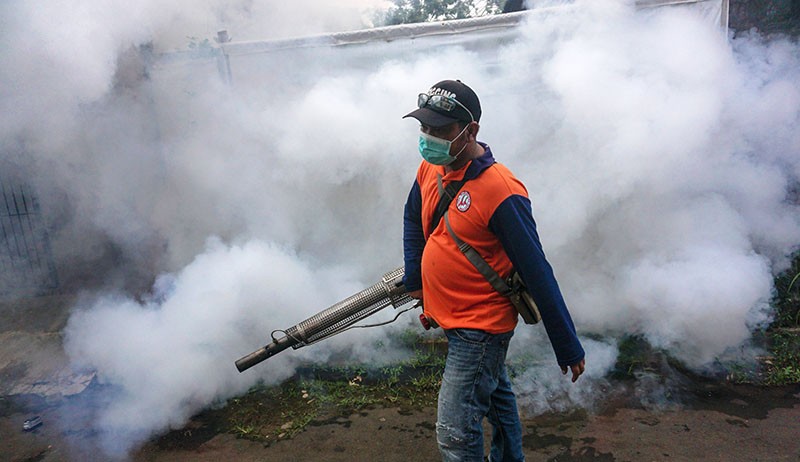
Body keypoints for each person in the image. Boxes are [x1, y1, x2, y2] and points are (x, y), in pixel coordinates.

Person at [402, 79, 586, 462]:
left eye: (440, 130)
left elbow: (536, 269)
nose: (428, 137)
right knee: (498, 404)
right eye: (424, 128)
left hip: (480, 328)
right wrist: (419, 284)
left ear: (470, 131)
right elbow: (412, 220)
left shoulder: (501, 189)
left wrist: (566, 343)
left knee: (455, 432)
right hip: (454, 317)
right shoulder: (430, 168)